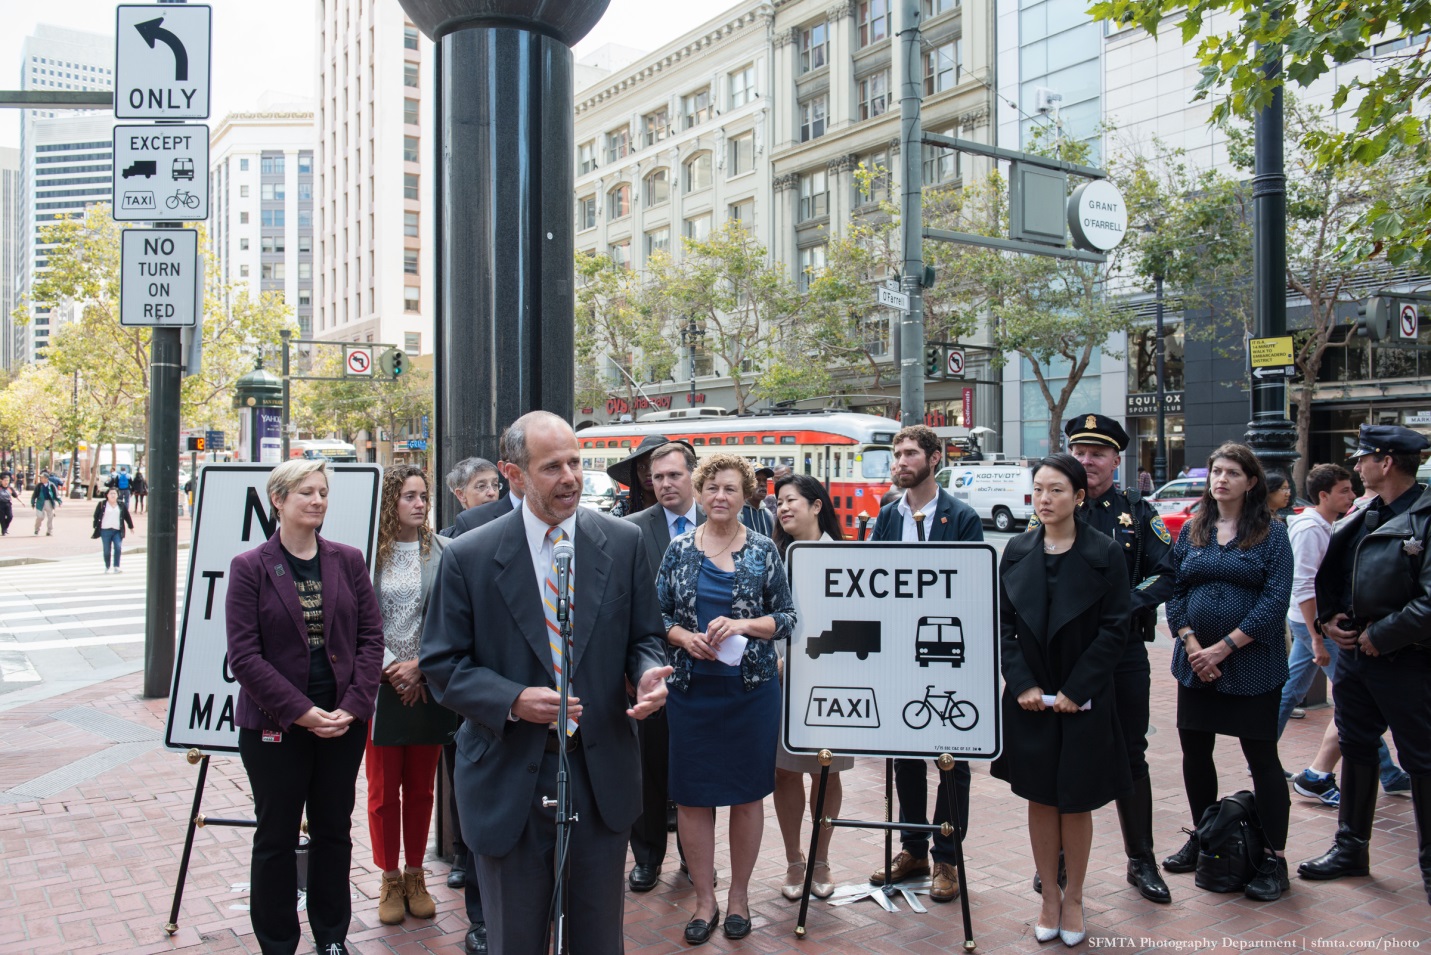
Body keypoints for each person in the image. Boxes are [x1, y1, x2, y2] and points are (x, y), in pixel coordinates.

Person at [420, 411, 672, 955]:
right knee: (514, 938)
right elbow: (441, 663)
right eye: (552, 466)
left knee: (598, 939)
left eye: (577, 463)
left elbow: (644, 637)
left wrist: (646, 674)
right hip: (507, 775)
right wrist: (511, 699)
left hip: (599, 773)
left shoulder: (622, 542)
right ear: (513, 474)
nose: (571, 478)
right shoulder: (469, 555)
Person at [225, 458, 384, 955]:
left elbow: (371, 639)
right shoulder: (249, 567)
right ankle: (277, 942)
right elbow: (244, 656)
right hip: (277, 728)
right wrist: (301, 712)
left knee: (334, 832)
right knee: (276, 836)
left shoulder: (348, 559)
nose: (318, 501)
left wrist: (354, 708)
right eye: (306, 493)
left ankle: (332, 936)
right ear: (279, 500)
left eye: (322, 493)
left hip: (343, 724)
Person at [657, 452, 796, 943]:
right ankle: (704, 900)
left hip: (750, 692)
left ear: (744, 496)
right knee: (693, 798)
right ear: (699, 492)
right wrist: (682, 638)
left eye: (730, 489)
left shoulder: (763, 549)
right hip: (691, 691)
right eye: (712, 487)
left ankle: (738, 898)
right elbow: (659, 617)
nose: (720, 496)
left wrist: (742, 624)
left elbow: (786, 618)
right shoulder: (677, 550)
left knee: (745, 794)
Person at [1038, 414, 1176, 905]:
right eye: (1079, 451)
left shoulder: (1136, 510)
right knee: (1061, 755)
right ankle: (1054, 861)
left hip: (1121, 655)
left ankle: (1141, 860)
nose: (1086, 461)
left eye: (1097, 453)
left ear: (1117, 460)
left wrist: (1122, 605)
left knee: (1130, 755)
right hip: (1064, 659)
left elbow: (1166, 573)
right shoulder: (1051, 508)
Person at [994, 453, 1131, 946]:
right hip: (1031, 697)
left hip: (1083, 695)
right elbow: (1005, 626)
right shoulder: (1016, 550)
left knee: (1076, 799)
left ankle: (1074, 898)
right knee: (1040, 796)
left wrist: (1078, 688)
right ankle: (1048, 895)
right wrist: (1023, 682)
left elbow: (1117, 626)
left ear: (1078, 496)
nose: (1044, 499)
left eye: (1055, 490)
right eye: (1037, 490)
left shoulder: (1105, 552)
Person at [1301, 424, 1431, 904]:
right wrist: (1331, 623)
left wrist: (1382, 634)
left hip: (1410, 660)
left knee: (1422, 760)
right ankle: (1351, 848)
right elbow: (1331, 579)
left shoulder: (1426, 515)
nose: (1356, 467)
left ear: (1387, 462)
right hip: (1357, 659)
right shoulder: (1362, 517)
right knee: (1356, 746)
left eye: (1363, 459)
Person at [1161, 443, 1293, 902]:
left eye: (1232, 472)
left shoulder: (1272, 533)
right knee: (1196, 755)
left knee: (1263, 761)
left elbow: (1276, 600)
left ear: (1251, 482)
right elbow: (1174, 591)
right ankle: (1206, 838)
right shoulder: (1194, 530)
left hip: (1254, 665)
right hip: (1195, 666)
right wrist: (1193, 644)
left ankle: (1275, 859)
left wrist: (1224, 647)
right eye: (1216, 471)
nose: (1221, 479)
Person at [867, 425, 982, 903]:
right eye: (896, 454)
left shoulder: (962, 517)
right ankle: (912, 848)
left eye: (910, 453)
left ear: (934, 459)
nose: (900, 462)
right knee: (905, 757)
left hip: (946, 653)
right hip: (899, 654)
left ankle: (947, 859)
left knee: (951, 761)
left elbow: (973, 588)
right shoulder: (887, 517)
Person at [1282, 465, 1411, 805]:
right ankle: (1382, 773)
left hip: (1318, 625)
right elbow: (1304, 583)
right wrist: (1317, 634)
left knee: (1309, 691)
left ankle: (1315, 771)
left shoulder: (1338, 523)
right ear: (1323, 495)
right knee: (1355, 700)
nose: (1351, 495)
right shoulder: (1311, 527)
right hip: (1315, 624)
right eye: (1343, 490)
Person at [435, 440, 519, 952]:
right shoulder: (463, 537)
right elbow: (445, 648)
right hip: (483, 708)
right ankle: (481, 917)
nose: (491, 491)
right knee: (482, 816)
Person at [366, 465, 450, 926]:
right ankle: (389, 877)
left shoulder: (444, 551)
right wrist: (389, 669)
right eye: (409, 496)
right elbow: (358, 618)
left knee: (421, 789)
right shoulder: (366, 555)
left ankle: (416, 873)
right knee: (382, 793)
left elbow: (451, 618)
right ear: (390, 504)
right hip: (380, 687)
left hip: (427, 684)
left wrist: (421, 668)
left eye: (423, 496)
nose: (420, 504)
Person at [623, 440, 701, 893]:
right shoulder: (632, 531)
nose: (665, 484)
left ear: (692, 475)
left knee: (696, 769)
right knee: (648, 768)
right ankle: (647, 856)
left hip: (709, 673)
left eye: (674, 475)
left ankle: (696, 857)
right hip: (652, 669)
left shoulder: (723, 521)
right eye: (657, 478)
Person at [771, 473, 851, 900]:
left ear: (817, 505)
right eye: (778, 502)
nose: (783, 508)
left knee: (827, 770)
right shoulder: (770, 556)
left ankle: (821, 860)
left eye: (791, 500)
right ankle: (793, 861)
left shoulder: (844, 558)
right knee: (784, 772)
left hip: (831, 683)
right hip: (780, 684)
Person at [607, 433, 667, 517]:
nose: (648, 473)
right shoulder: (622, 511)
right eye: (641, 467)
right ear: (635, 473)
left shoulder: (677, 509)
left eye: (654, 466)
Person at [440, 457, 501, 538]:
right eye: (481, 486)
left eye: (495, 485)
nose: (492, 492)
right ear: (461, 494)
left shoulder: (511, 527)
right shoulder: (447, 540)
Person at [91, 487, 134, 574]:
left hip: (117, 530)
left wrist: (131, 526)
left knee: (118, 547)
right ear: (107, 495)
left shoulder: (121, 504)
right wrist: (95, 526)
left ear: (118, 495)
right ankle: (107, 566)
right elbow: (96, 516)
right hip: (105, 530)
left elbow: (127, 516)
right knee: (107, 550)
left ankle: (116, 566)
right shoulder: (102, 504)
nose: (113, 495)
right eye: (111, 493)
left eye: (115, 493)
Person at [739, 466, 775, 537]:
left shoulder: (768, 515)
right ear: (747, 484)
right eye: (757, 480)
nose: (763, 484)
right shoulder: (739, 513)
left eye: (764, 480)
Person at [31, 469, 60, 536]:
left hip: (49, 502)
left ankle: (49, 531)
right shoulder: (38, 486)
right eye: (40, 478)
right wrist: (33, 502)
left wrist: (59, 501)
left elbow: (56, 494)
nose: (41, 479)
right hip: (40, 502)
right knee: (40, 517)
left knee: (51, 517)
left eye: (42, 477)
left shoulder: (52, 485)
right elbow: (34, 495)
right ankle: (36, 529)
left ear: (46, 479)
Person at [0, 471, 14, 536]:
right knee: (2, 518)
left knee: (10, 516)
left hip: (8, 504)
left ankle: (5, 527)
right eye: (5, 480)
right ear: (1, 481)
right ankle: (4, 531)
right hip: (0, 504)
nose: (6, 482)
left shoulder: (10, 488)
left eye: (7, 480)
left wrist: (22, 502)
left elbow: (15, 495)